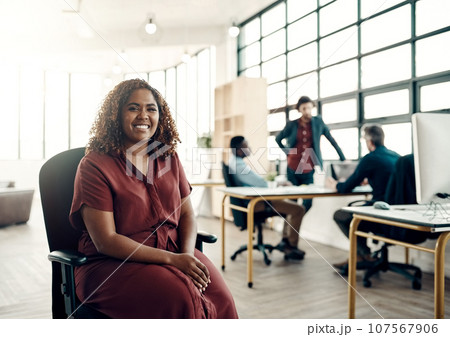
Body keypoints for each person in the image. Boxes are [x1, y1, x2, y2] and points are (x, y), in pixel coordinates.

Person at [69, 79, 238, 319]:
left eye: (151, 108)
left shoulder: (168, 156)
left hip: (175, 250)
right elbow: (106, 241)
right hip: (113, 263)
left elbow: (187, 213)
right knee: (183, 298)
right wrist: (172, 259)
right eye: (133, 107)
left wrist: (186, 256)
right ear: (116, 114)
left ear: (160, 115)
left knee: (221, 297)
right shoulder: (95, 165)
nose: (143, 115)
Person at [325, 124, 400, 271]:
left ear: (369, 141)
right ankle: (359, 257)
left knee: (341, 215)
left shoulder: (370, 158)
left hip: (380, 211)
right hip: (398, 212)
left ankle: (365, 255)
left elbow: (346, 187)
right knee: (357, 214)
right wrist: (370, 180)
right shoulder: (396, 156)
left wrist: (334, 184)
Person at [229, 136, 306, 260]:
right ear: (239, 151)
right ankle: (291, 246)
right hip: (257, 203)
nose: (249, 148)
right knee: (298, 209)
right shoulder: (239, 165)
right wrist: (277, 182)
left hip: (253, 201)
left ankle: (286, 242)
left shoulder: (233, 162)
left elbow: (256, 181)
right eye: (246, 146)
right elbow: (261, 183)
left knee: (289, 205)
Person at [275, 96, 345, 213]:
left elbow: (331, 140)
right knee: (292, 202)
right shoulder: (292, 125)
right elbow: (278, 139)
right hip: (292, 167)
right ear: (299, 110)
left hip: (308, 168)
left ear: (312, 107)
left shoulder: (318, 123)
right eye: (304, 108)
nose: (307, 111)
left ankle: (298, 221)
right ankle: (291, 229)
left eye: (309, 108)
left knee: (308, 201)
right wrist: (288, 152)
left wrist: (343, 158)